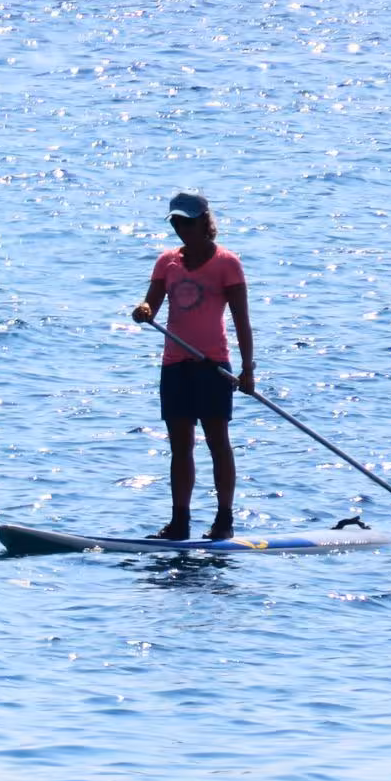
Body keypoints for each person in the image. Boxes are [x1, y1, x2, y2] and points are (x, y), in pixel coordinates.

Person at [130, 192, 255, 540]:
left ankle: (224, 521)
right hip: (175, 364)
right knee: (180, 446)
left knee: (218, 442)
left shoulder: (227, 264)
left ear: (204, 221)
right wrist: (142, 311)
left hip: (213, 364)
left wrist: (247, 370)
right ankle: (180, 522)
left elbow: (242, 321)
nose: (179, 228)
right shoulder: (166, 262)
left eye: (186, 221)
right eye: (175, 222)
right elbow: (150, 305)